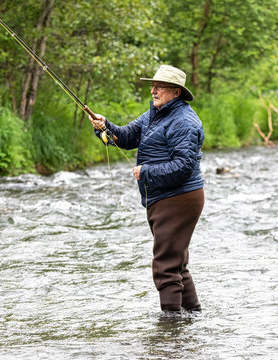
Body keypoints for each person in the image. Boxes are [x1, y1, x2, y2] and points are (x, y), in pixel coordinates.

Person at [88, 65, 204, 314]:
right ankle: (192, 316)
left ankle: (170, 327)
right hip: (165, 196)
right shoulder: (155, 113)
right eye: (153, 85)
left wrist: (146, 172)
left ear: (175, 92)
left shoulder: (184, 121)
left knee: (165, 266)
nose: (153, 90)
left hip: (178, 198)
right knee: (177, 263)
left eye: (159, 86)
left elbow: (184, 166)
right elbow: (127, 137)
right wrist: (105, 126)